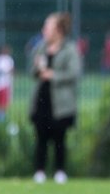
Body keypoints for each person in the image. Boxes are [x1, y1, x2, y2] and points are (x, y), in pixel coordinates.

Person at [30, 13, 80, 184]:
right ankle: (39, 171)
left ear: (58, 30)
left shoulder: (70, 50)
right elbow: (33, 72)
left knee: (59, 138)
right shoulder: (40, 48)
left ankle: (60, 171)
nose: (44, 30)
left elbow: (74, 73)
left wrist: (53, 75)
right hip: (42, 99)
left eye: (48, 27)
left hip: (61, 102)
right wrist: (38, 68)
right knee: (41, 138)